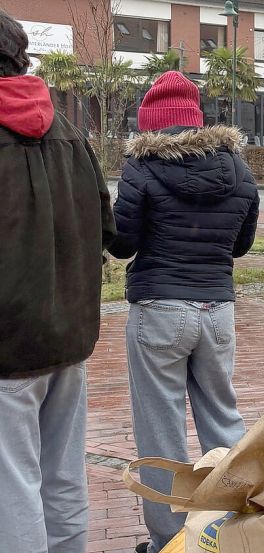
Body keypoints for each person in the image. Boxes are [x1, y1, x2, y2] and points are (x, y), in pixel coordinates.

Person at [108, 71, 260, 553]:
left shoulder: (141, 168)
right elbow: (241, 245)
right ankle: (240, 529)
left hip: (159, 309)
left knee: (161, 434)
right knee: (225, 421)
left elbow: (122, 242)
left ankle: (171, 542)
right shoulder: (239, 168)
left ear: (151, 124)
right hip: (218, 310)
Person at [0, 12, 116, 552]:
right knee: (62, 477)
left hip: (9, 346)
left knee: (13, 487)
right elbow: (107, 227)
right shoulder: (70, 133)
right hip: (69, 336)